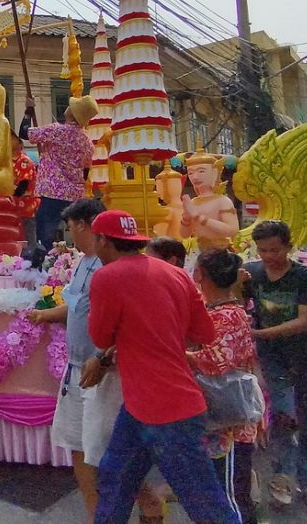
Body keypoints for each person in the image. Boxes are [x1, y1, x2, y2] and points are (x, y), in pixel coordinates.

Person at [87, 209, 238, 524]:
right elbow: (204, 333)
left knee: (204, 501)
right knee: (115, 478)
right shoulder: (176, 273)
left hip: (162, 410)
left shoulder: (106, 276)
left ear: (103, 240)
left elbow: (100, 336)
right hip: (156, 403)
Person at [28, 200, 162, 523]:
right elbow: (77, 307)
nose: (68, 232)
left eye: (71, 226)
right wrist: (46, 314)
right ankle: (96, 514)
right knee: (79, 447)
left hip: (103, 373)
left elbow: (130, 325)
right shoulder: (81, 262)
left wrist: (102, 359)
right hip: (76, 370)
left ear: (89, 226)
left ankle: (149, 505)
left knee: (107, 453)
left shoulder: (113, 268)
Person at [243, 220, 307, 514]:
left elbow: (306, 321)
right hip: (273, 359)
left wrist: (258, 334)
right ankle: (282, 476)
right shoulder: (252, 273)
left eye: (275, 249)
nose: (269, 256)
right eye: (263, 250)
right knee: (284, 415)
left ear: (288, 246)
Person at [189, 249, 260, 524]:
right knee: (223, 489)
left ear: (200, 275)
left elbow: (215, 362)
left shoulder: (226, 315)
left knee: (230, 493)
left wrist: (174, 352)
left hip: (228, 421)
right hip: (221, 417)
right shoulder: (225, 310)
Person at [20, 94, 97, 250]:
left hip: (52, 194)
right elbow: (85, 171)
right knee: (77, 237)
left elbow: (24, 132)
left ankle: (47, 266)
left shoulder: (57, 130)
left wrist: (28, 111)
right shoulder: (87, 142)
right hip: (74, 195)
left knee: (45, 238)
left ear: (72, 113)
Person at [11, 131, 40, 250]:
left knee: (28, 243)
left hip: (26, 209)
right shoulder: (7, 161)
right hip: (12, 210)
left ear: (19, 142)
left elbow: (23, 184)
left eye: (11, 138)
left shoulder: (24, 161)